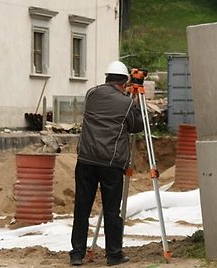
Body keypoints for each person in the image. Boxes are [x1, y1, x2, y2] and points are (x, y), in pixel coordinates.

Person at [69, 61, 143, 266]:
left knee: (81, 209)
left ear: (107, 78)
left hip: (85, 160)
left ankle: (77, 254)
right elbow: (136, 127)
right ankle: (114, 254)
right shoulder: (126, 103)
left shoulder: (91, 94)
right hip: (111, 163)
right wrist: (134, 103)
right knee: (111, 210)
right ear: (125, 82)